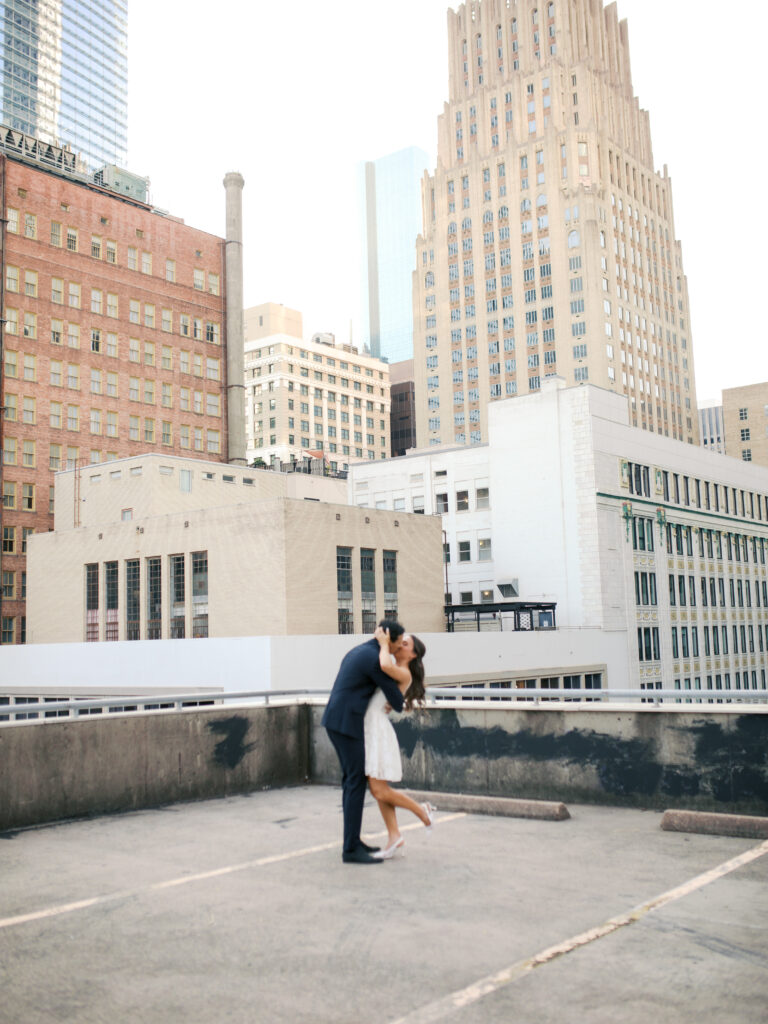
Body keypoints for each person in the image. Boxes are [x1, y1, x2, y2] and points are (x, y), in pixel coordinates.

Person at [322, 619, 407, 864]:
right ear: (387, 640)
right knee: (355, 782)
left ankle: (353, 842)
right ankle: (350, 849)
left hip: (338, 721)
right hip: (346, 724)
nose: (398, 649)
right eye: (397, 644)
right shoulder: (374, 659)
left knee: (352, 781)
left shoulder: (360, 650)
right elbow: (399, 703)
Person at [366, 626, 435, 860]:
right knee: (380, 791)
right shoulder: (397, 668)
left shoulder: (403, 672)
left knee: (379, 789)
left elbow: (384, 665)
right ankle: (394, 836)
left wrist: (383, 641)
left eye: (405, 644)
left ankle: (421, 810)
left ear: (413, 655)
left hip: (376, 729)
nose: (400, 645)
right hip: (371, 727)